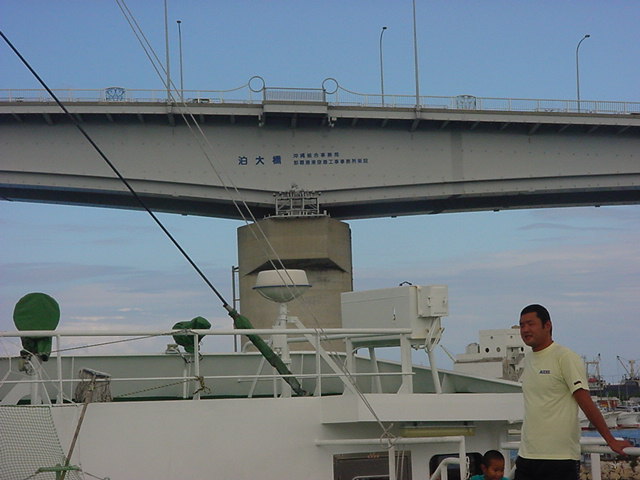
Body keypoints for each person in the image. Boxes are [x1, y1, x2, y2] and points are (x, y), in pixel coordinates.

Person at [515, 304, 631, 480]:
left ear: (547, 325)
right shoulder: (528, 359)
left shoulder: (565, 357)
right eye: (522, 325)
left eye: (531, 324)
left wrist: (610, 440)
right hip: (527, 455)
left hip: (559, 458)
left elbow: (585, 402)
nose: (525, 330)